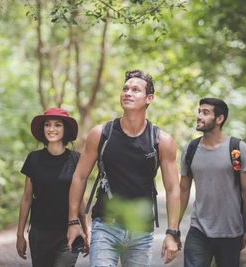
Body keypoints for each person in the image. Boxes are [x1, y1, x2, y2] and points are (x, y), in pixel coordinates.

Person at [67, 70, 181, 266]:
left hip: (142, 231)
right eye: (125, 89)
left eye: (136, 90)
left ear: (149, 98)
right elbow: (79, 177)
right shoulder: (101, 134)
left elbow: (172, 189)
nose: (128, 93)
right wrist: (73, 222)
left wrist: (172, 232)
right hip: (105, 227)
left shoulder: (161, 141)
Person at [180, 98, 246, 267]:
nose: (199, 116)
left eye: (205, 113)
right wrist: (173, 229)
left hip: (231, 232)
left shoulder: (237, 148)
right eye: (199, 111)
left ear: (219, 119)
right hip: (198, 231)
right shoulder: (189, 150)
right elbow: (183, 191)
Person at [16, 107, 89, 267]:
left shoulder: (76, 159)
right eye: (47, 125)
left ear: (65, 129)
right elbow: (27, 199)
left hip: (69, 232)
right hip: (39, 233)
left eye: (57, 125)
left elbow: (81, 199)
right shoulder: (33, 159)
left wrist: (86, 231)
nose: (51, 129)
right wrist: (20, 235)